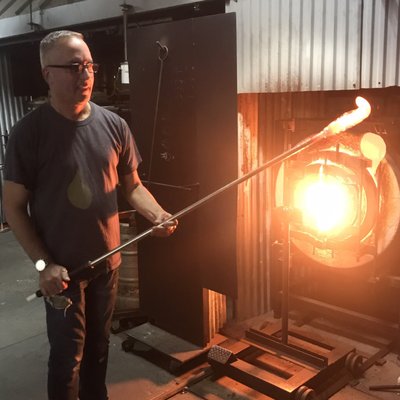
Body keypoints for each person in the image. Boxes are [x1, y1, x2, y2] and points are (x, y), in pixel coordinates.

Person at [3, 30, 177, 400]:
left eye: (89, 66)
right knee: (68, 359)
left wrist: (156, 213)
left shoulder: (114, 126)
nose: (84, 75)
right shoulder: (29, 134)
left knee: (99, 351)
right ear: (47, 74)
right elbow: (13, 207)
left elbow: (132, 186)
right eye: (73, 67)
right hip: (62, 274)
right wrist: (42, 266)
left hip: (107, 263)